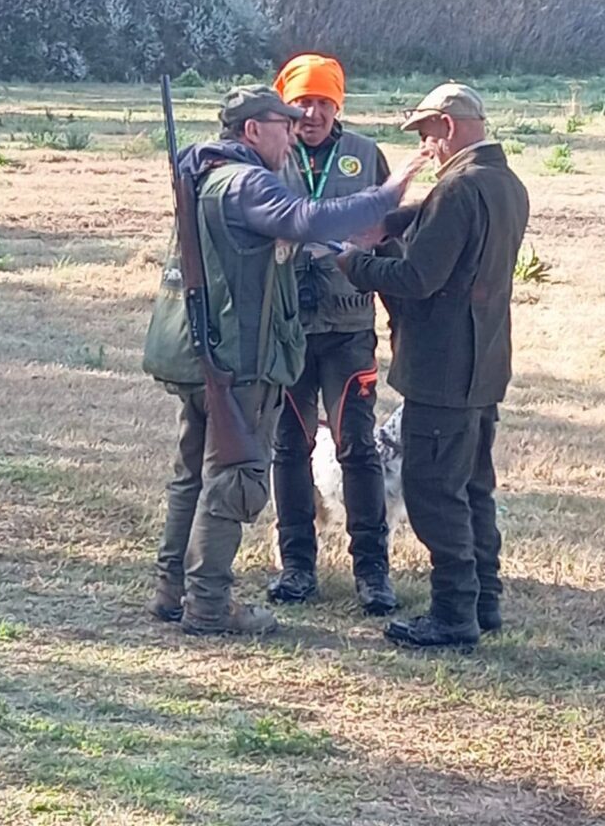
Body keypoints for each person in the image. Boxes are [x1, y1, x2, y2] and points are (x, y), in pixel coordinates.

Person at [143, 85, 424, 637]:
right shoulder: (246, 181)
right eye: (284, 122)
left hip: (199, 350)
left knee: (190, 477)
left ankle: (169, 589)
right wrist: (387, 194)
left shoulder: (199, 174)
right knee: (237, 477)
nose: (295, 131)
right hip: (240, 358)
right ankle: (208, 604)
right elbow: (305, 219)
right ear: (252, 131)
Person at [338, 83, 529, 648]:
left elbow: (417, 279)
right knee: (472, 487)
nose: (426, 147)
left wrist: (353, 263)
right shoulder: (505, 182)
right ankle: (483, 601)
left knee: (432, 489)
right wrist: (394, 224)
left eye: (427, 135)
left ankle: (453, 614)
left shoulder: (459, 190)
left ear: (447, 127)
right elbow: (446, 225)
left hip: (443, 367)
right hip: (485, 361)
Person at [266, 53, 398, 614]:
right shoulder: (268, 156)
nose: (312, 112)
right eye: (302, 102)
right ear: (285, 105)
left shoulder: (366, 156)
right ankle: (297, 567)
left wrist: (401, 314)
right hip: (288, 329)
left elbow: (393, 238)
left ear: (337, 106)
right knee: (289, 446)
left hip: (348, 329)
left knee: (357, 448)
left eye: (324, 101)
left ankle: (373, 573)